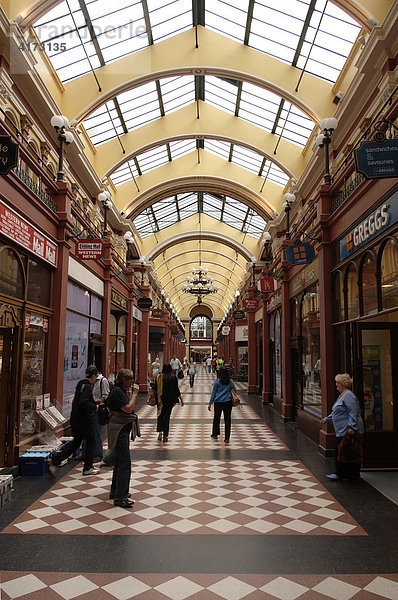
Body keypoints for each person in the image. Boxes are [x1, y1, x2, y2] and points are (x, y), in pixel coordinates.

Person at [48, 365, 101, 476]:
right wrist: (94, 407)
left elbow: (80, 401)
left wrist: (93, 403)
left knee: (76, 442)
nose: (96, 378)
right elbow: (83, 402)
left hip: (75, 418)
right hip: (84, 419)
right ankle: (88, 467)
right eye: (95, 376)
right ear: (93, 375)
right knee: (92, 440)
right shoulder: (86, 386)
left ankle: (55, 460)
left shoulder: (81, 384)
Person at [321, 373, 363, 481]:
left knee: (347, 450)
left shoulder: (349, 396)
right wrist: (327, 419)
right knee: (342, 450)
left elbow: (352, 412)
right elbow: (337, 411)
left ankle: (348, 474)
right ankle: (343, 473)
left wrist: (351, 427)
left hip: (347, 430)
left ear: (343, 384)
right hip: (341, 429)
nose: (336, 385)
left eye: (337, 383)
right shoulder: (342, 395)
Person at [107, 369, 139, 507]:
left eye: (133, 378)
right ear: (123, 379)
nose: (132, 381)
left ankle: (116, 491)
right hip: (119, 431)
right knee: (125, 464)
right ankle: (120, 497)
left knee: (120, 463)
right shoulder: (118, 392)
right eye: (130, 379)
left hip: (121, 430)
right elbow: (128, 408)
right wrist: (135, 394)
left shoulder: (119, 391)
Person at [82, 370, 110, 464]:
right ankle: (84, 453)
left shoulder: (103, 381)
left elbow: (105, 395)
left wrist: (96, 402)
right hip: (89, 408)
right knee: (86, 430)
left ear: (95, 375)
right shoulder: (89, 383)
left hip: (98, 409)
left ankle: (98, 454)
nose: (89, 380)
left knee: (97, 431)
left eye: (90, 377)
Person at [154, 363, 184, 442]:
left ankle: (160, 433)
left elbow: (154, 388)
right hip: (169, 400)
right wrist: (181, 399)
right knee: (167, 417)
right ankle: (165, 436)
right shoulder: (173, 377)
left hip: (160, 400)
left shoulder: (159, 377)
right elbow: (176, 389)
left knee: (160, 416)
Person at [208, 366, 236, 444]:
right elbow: (235, 391)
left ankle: (215, 434)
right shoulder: (230, 381)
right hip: (228, 402)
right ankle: (227, 438)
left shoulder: (217, 381)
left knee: (217, 418)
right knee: (227, 419)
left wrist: (210, 403)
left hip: (218, 402)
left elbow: (213, 393)